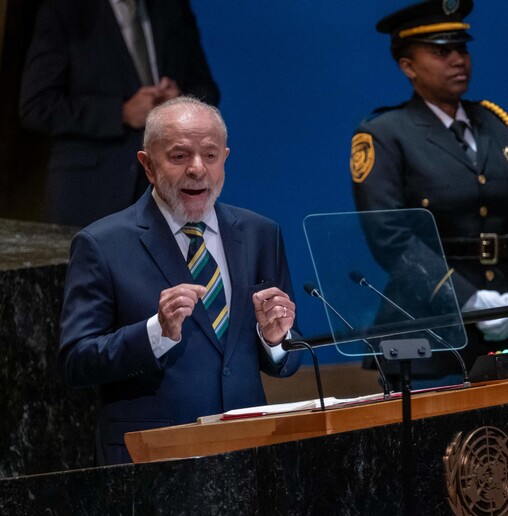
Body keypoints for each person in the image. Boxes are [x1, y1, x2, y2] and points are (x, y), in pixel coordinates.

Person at [58, 96, 301, 465]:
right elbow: (76, 361)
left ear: (225, 160)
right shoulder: (102, 244)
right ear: (148, 165)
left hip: (248, 451)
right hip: (154, 457)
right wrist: (157, 332)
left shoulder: (260, 233)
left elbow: (284, 357)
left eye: (210, 155)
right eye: (179, 156)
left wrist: (275, 340)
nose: (197, 169)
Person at [350, 0, 508, 386]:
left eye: (462, 49)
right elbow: (389, 237)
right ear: (408, 66)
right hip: (430, 326)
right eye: (442, 52)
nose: (458, 59)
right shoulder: (385, 134)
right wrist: (470, 301)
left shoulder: (497, 126)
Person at [20, 0, 220, 227]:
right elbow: (37, 106)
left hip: (164, 194)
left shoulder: (171, 8)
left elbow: (207, 91)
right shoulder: (65, 10)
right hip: (88, 194)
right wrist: (121, 112)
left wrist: (180, 103)